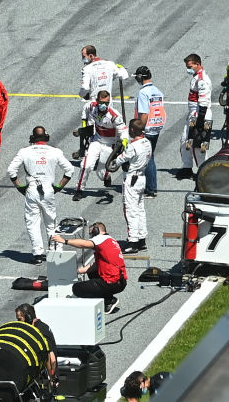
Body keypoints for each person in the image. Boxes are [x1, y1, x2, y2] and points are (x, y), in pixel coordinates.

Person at [7, 127, 73, 264]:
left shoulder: (24, 152)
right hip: (49, 190)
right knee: (51, 223)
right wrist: (59, 186)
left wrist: (19, 187)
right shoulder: (55, 152)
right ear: (47, 137)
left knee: (32, 223)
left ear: (32, 138)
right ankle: (55, 253)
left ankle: (37, 254)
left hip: (31, 190)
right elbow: (69, 170)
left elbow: (11, 170)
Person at [52, 221, 127, 314]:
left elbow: (84, 244)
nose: (91, 236)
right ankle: (108, 299)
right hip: (120, 282)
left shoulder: (101, 238)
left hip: (112, 283)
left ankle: (101, 302)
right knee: (91, 272)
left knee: (76, 289)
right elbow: (97, 265)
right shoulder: (110, 241)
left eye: (91, 233)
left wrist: (65, 241)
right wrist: (78, 271)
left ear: (96, 231)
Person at [75, 90, 125, 200]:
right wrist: (84, 125)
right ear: (97, 101)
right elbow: (85, 109)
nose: (104, 105)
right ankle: (79, 190)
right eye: (101, 102)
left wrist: (124, 141)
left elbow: (123, 129)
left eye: (106, 103)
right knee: (86, 165)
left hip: (110, 144)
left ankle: (106, 176)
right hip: (96, 141)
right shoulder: (92, 107)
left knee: (101, 173)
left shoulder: (114, 115)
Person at [113, 119, 152, 253]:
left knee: (130, 210)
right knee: (140, 209)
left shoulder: (133, 146)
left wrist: (117, 152)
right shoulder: (147, 142)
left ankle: (133, 241)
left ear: (133, 130)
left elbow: (118, 161)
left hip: (131, 179)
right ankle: (141, 239)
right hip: (142, 178)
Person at [133, 66, 165, 197]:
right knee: (151, 157)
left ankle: (151, 189)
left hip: (147, 128)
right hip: (157, 126)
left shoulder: (143, 93)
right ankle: (151, 186)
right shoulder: (157, 91)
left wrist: (139, 129)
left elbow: (144, 114)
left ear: (140, 78)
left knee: (148, 158)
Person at [179, 54, 211, 179]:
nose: (188, 69)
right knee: (185, 141)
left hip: (200, 114)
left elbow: (203, 100)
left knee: (198, 145)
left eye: (190, 66)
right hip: (194, 114)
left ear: (197, 64)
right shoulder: (196, 76)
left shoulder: (202, 79)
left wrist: (200, 119)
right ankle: (187, 167)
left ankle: (203, 171)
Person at [14, 303, 56, 375]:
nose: (18, 322)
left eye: (19, 319)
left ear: (28, 317)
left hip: (48, 375)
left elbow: (52, 359)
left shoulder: (40, 331)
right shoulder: (38, 327)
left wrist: (52, 378)